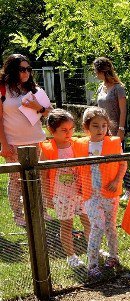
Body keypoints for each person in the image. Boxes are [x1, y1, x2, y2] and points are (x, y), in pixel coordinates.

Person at [73, 107, 127, 279]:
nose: (100, 129)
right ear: (86, 127)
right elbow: (76, 170)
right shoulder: (80, 145)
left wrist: (117, 181)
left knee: (111, 227)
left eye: (104, 126)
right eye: (95, 126)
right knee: (97, 226)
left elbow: (123, 164)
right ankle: (93, 264)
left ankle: (113, 256)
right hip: (91, 194)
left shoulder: (113, 143)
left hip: (110, 194)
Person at [0, 54, 52, 227]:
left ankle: (41, 210)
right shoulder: (2, 89)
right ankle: (18, 215)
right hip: (13, 142)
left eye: (29, 69)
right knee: (15, 180)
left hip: (36, 140)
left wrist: (38, 107)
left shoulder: (34, 88)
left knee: (38, 177)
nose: (27, 72)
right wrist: (4, 144)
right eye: (22, 69)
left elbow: (48, 111)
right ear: (12, 69)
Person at [39, 109, 91, 268]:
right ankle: (71, 256)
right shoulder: (47, 150)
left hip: (81, 192)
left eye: (71, 129)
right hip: (61, 195)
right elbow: (43, 175)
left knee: (88, 222)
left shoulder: (78, 145)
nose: (69, 133)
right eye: (64, 130)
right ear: (51, 130)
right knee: (66, 226)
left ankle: (93, 249)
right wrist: (47, 196)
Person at [92, 57, 130, 199]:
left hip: (115, 129)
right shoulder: (100, 87)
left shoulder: (118, 88)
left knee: (120, 157)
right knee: (105, 158)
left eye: (96, 71)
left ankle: (128, 188)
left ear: (102, 71)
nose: (95, 74)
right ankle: (107, 184)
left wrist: (121, 128)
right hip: (102, 129)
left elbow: (123, 110)